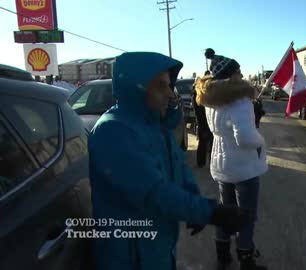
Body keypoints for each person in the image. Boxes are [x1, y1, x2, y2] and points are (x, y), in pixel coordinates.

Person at [88, 52, 251, 270]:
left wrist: (192, 194)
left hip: (156, 246)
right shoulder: (114, 130)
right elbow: (152, 191)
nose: (170, 94)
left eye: (169, 86)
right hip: (131, 254)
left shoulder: (154, 125)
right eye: (160, 87)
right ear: (137, 87)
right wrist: (210, 212)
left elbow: (178, 166)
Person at [195, 55, 268, 270]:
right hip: (243, 166)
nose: (242, 74)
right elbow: (245, 137)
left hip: (220, 163)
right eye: (238, 71)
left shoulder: (211, 98)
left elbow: (218, 130)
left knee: (225, 212)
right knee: (246, 215)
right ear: (231, 75)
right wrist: (261, 140)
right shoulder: (239, 100)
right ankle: (246, 258)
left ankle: (223, 253)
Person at [192, 70, 214, 167]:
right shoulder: (201, 95)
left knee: (203, 143)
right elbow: (200, 112)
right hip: (205, 122)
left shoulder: (197, 94)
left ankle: (201, 163)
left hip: (202, 123)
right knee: (209, 144)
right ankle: (210, 163)